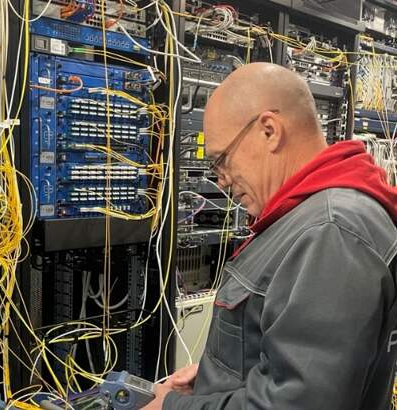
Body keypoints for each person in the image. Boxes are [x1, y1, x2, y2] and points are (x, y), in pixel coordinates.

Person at [143, 63, 397, 409]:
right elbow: (292, 353)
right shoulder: (306, 217)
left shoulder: (331, 233)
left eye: (222, 160)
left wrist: (170, 407)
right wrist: (220, 374)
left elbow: (297, 404)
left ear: (269, 131)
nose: (221, 180)